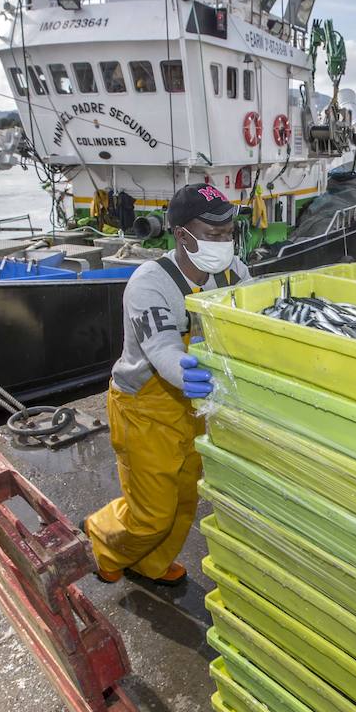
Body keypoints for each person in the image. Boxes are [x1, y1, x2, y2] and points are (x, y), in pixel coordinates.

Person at [83, 183, 248, 586]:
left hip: (194, 407)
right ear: (182, 235)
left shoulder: (233, 272)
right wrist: (185, 373)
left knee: (186, 496)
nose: (223, 243)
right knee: (152, 510)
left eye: (227, 234)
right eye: (212, 235)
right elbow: (162, 349)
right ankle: (103, 540)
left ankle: (149, 563)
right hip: (145, 406)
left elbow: (253, 318)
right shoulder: (150, 282)